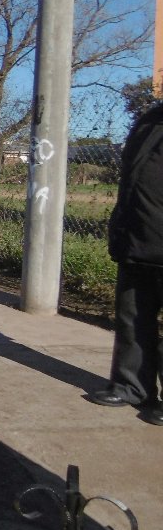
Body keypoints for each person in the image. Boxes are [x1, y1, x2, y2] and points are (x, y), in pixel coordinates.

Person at [90, 103, 163, 426]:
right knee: (132, 319)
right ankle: (131, 387)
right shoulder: (149, 121)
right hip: (138, 240)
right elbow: (131, 183)